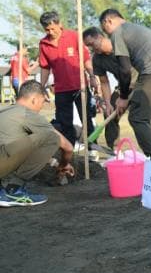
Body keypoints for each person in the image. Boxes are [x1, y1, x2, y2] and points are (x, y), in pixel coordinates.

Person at [98, 9, 151, 164]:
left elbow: (124, 69)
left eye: (105, 30)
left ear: (108, 21)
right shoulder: (138, 28)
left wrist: (122, 97)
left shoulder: (118, 33)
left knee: (137, 117)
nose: (107, 34)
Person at [0, 80, 74, 207]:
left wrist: (54, 162)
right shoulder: (27, 114)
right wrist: (63, 165)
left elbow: (28, 149)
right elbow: (68, 147)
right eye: (41, 102)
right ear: (34, 99)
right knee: (52, 137)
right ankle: (14, 190)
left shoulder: (6, 110)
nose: (41, 107)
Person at [38, 11, 97, 151]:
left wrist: (92, 76)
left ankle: (92, 149)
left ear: (60, 24)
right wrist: (41, 86)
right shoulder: (43, 44)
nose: (51, 32)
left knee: (86, 119)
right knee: (64, 122)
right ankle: (69, 151)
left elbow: (86, 59)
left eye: (53, 28)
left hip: (80, 86)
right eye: (47, 29)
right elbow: (45, 67)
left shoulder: (74, 36)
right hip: (61, 89)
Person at [82, 27, 138, 149]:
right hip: (123, 87)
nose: (91, 48)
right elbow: (104, 82)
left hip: (142, 83)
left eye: (92, 44)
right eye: (88, 46)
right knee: (110, 113)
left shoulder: (120, 45)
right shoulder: (97, 59)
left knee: (139, 117)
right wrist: (107, 103)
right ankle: (114, 149)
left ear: (100, 37)